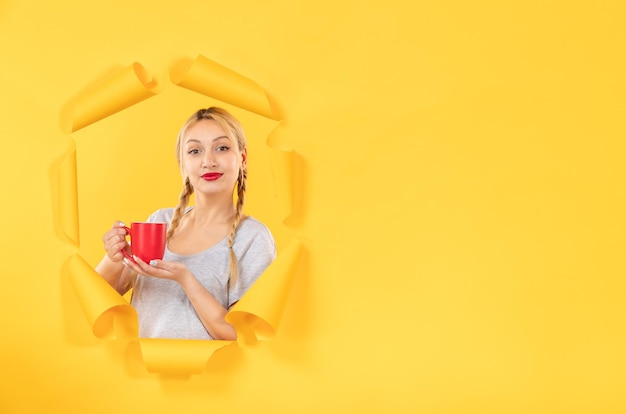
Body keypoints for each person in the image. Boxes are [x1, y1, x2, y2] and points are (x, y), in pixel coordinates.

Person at [95, 107, 276, 340]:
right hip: (143, 373)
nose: (208, 161)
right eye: (194, 151)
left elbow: (240, 334)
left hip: (213, 375)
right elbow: (101, 296)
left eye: (222, 148)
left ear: (242, 157)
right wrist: (114, 257)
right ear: (183, 162)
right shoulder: (159, 222)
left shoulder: (252, 238)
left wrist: (185, 279)